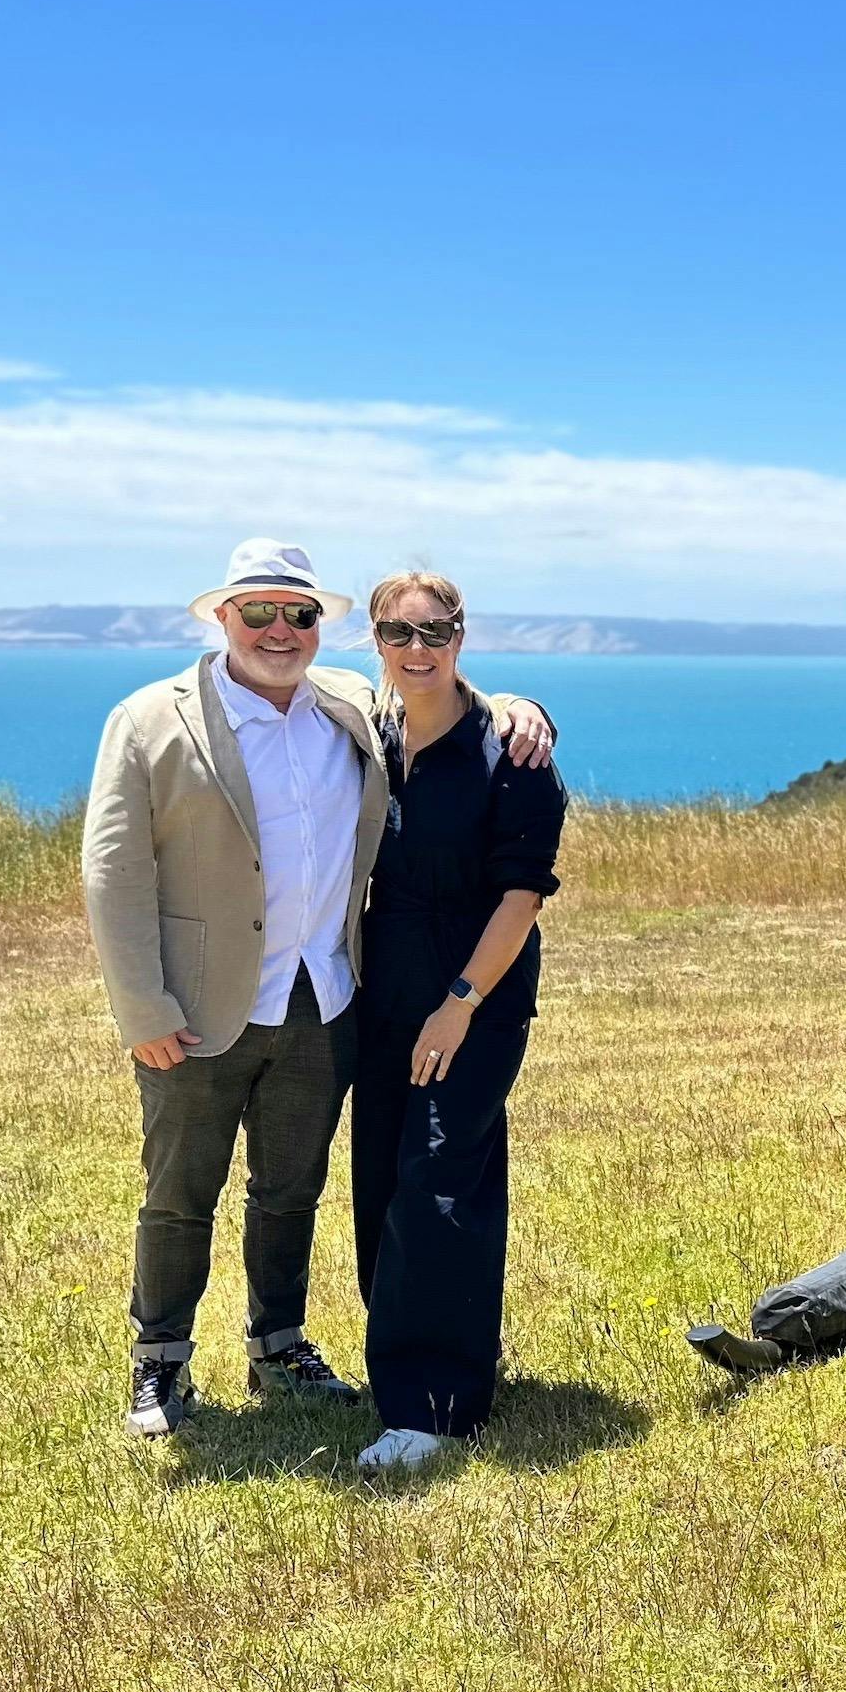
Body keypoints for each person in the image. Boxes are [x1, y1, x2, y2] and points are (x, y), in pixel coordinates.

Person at [82, 539, 556, 1438]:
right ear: (221, 618)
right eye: (257, 611)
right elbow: (113, 874)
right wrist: (142, 1008)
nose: (279, 629)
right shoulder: (151, 720)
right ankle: (160, 1361)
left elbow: (443, 698)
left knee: (290, 1187)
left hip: (325, 998)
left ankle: (280, 1345)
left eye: (298, 614)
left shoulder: (345, 704)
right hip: (195, 1009)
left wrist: (522, 707)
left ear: (321, 629)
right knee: (180, 1191)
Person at [348, 570, 566, 1475]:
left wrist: (459, 1007)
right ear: (376, 641)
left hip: (472, 999)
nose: (417, 650)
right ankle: (423, 1362)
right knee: (380, 1182)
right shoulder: (371, 731)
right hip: (382, 996)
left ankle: (430, 1408)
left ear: (461, 636)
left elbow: (521, 899)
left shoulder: (511, 753)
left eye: (434, 632)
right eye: (399, 634)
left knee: (440, 1180)